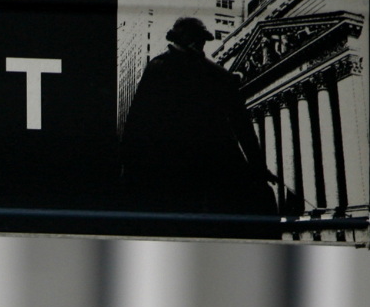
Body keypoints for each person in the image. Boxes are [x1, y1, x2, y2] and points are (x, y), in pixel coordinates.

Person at [119, 16, 278, 215]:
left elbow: (242, 125)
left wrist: (258, 168)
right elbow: (138, 122)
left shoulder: (207, 73)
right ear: (180, 38)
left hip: (192, 170)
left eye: (201, 39)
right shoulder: (165, 69)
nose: (199, 44)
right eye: (195, 38)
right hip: (188, 170)